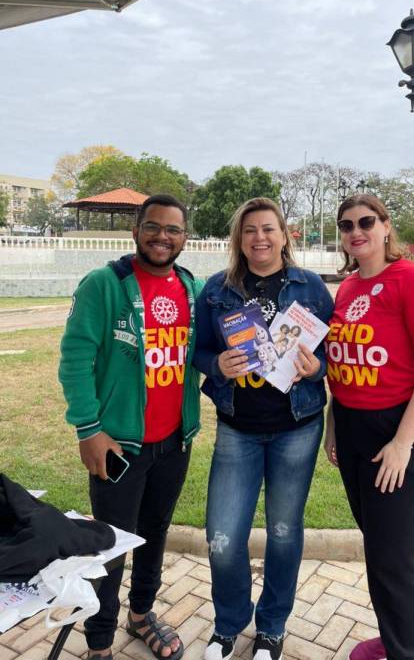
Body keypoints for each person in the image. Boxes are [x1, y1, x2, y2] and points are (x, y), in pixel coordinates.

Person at [59, 194, 204, 660]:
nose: (163, 236)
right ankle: (99, 642)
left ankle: (141, 615)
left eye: (173, 229)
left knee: (154, 533)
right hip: (119, 445)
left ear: (185, 237)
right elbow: (75, 359)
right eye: (153, 227)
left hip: (174, 443)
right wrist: (88, 429)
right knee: (111, 546)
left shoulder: (192, 288)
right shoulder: (104, 285)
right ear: (136, 231)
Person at [193, 197, 334, 660]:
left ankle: (272, 627)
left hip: (297, 427)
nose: (260, 238)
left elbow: (331, 353)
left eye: (268, 228)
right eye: (250, 230)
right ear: (239, 239)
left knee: (284, 532)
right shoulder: (216, 290)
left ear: (284, 234)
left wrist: (315, 368)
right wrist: (217, 365)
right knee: (222, 537)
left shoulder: (311, 287)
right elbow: (199, 351)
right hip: (238, 428)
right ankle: (229, 623)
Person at [324, 194, 414, 660]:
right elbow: (342, 362)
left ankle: (402, 650)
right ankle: (393, 636)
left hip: (400, 431)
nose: (355, 232)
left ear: (386, 227)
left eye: (366, 222)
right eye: (346, 225)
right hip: (354, 429)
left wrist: (403, 443)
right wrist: (334, 423)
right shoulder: (348, 288)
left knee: (391, 558)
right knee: (386, 547)